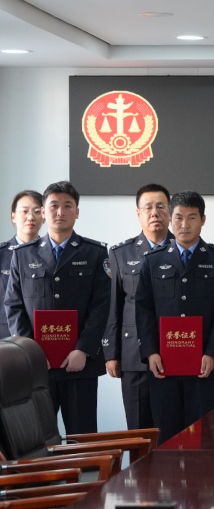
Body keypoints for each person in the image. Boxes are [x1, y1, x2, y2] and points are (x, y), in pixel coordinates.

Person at [5, 181, 110, 434]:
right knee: (38, 438)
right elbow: (14, 305)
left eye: (67, 205)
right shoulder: (23, 254)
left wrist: (83, 349)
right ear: (43, 211)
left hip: (81, 365)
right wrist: (31, 352)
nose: (60, 212)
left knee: (83, 438)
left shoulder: (95, 252)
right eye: (54, 205)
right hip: (38, 368)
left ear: (77, 212)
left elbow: (102, 306)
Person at [135, 191, 214, 443]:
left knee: (201, 435)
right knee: (166, 435)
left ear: (203, 220)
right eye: (178, 217)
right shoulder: (153, 260)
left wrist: (213, 353)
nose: (184, 224)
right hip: (163, 364)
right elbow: (144, 309)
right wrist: (151, 352)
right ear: (170, 219)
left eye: (192, 218)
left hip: (203, 363)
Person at [104, 183, 173, 430]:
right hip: (134, 354)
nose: (154, 213)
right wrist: (111, 353)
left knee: (173, 428)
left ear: (170, 211)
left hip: (176, 349)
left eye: (160, 207)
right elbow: (113, 306)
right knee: (138, 428)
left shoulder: (185, 249)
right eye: (148, 207)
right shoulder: (120, 253)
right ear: (138, 213)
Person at [0, 190, 44, 338]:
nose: (30, 217)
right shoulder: (1, 254)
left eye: (37, 211)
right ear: (13, 216)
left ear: (44, 215)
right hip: (5, 337)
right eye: (24, 211)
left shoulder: (52, 254)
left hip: (42, 334)